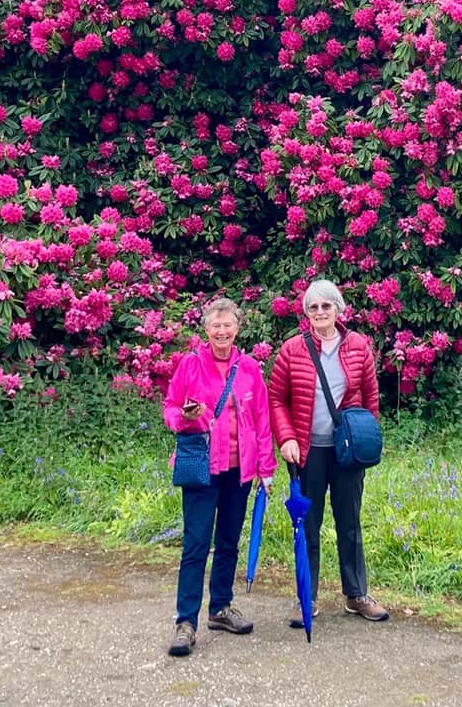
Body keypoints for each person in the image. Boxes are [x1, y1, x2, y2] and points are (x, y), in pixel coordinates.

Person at [268, 279, 389, 624]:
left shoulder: (358, 347)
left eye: (326, 306)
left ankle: (356, 594)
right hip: (307, 452)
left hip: (346, 452)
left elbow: (370, 400)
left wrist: (367, 442)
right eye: (313, 307)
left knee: (349, 522)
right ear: (306, 313)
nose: (320, 312)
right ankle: (306, 597)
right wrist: (286, 437)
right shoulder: (292, 349)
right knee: (307, 524)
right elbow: (276, 399)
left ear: (338, 309)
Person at [162, 296, 276, 657]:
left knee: (228, 540)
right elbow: (170, 408)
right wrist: (184, 416)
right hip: (201, 466)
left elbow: (261, 419)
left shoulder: (250, 368)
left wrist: (266, 468)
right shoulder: (190, 364)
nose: (222, 331)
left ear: (237, 328)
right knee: (196, 544)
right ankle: (186, 621)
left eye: (228, 325)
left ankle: (221, 608)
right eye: (216, 325)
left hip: (239, 469)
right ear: (206, 329)